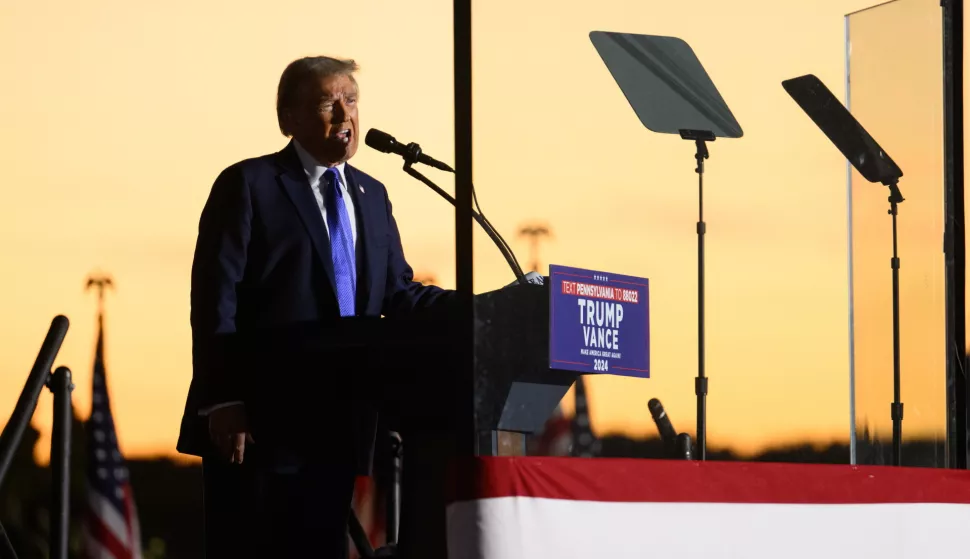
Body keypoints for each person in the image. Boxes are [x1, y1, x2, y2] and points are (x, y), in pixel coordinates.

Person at [176, 55, 454, 558]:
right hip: (257, 427)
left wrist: (480, 306)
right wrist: (223, 399)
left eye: (351, 101)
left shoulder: (372, 195)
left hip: (337, 425)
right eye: (329, 103)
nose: (344, 115)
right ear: (288, 119)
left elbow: (399, 292)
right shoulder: (250, 185)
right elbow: (215, 298)